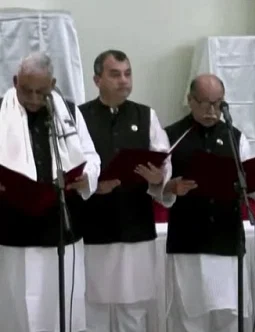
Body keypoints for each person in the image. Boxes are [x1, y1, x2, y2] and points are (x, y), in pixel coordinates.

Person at [159, 74, 255, 332]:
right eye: (205, 103)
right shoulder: (171, 136)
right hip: (189, 241)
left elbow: (251, 185)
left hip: (227, 239)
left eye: (218, 103)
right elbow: (158, 187)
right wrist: (170, 187)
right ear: (190, 100)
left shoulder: (235, 137)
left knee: (230, 317)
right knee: (190, 318)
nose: (212, 110)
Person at [0, 52, 101, 332]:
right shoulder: (0, 111)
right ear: (14, 81)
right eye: (26, 90)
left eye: (40, 92)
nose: (33, 99)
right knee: (20, 306)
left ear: (53, 84)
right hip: (14, 229)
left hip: (60, 226)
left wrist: (86, 177)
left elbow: (91, 157)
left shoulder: (68, 111)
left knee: (61, 306)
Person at [78, 49, 171, 332]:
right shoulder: (79, 116)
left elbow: (164, 161)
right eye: (115, 74)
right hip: (94, 229)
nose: (124, 81)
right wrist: (92, 186)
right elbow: (74, 167)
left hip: (135, 226)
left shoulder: (146, 115)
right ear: (97, 79)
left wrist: (158, 178)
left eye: (128, 74)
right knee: (93, 309)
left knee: (134, 309)